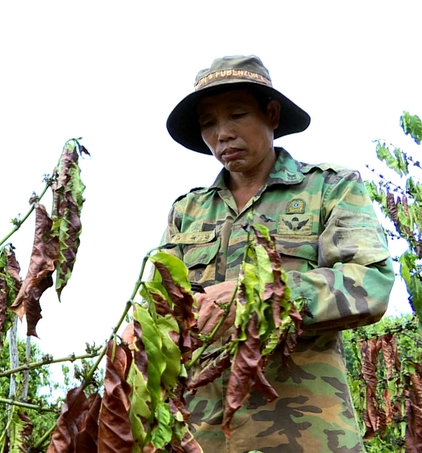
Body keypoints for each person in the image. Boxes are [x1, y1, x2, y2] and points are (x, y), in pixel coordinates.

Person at [161, 55, 394, 453]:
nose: (222, 134)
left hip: (305, 432)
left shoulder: (329, 189)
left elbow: (369, 284)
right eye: (208, 123)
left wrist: (253, 300)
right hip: (203, 434)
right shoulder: (189, 211)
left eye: (236, 115)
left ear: (271, 114)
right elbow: (163, 309)